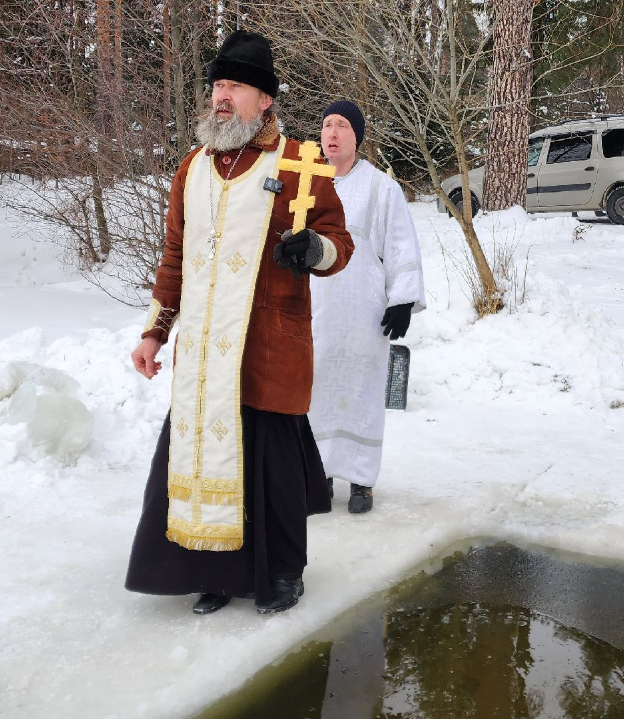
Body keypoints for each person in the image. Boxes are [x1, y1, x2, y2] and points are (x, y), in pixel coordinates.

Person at [126, 31, 353, 616]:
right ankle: (215, 570)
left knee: (270, 469)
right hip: (203, 354)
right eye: (217, 86)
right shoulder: (191, 169)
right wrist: (156, 331)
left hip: (268, 348)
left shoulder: (301, 163)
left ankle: (283, 573)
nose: (221, 97)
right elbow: (174, 256)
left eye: (235, 87)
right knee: (200, 459)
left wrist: (314, 252)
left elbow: (339, 242)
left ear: (265, 99)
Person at [309, 100, 425, 514]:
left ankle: (361, 482)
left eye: (342, 126)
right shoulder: (307, 183)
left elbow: (400, 245)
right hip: (315, 312)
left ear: (357, 136)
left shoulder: (382, 188)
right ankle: (317, 477)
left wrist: (404, 301)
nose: (332, 133)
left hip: (362, 313)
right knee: (315, 392)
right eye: (326, 125)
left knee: (360, 392)